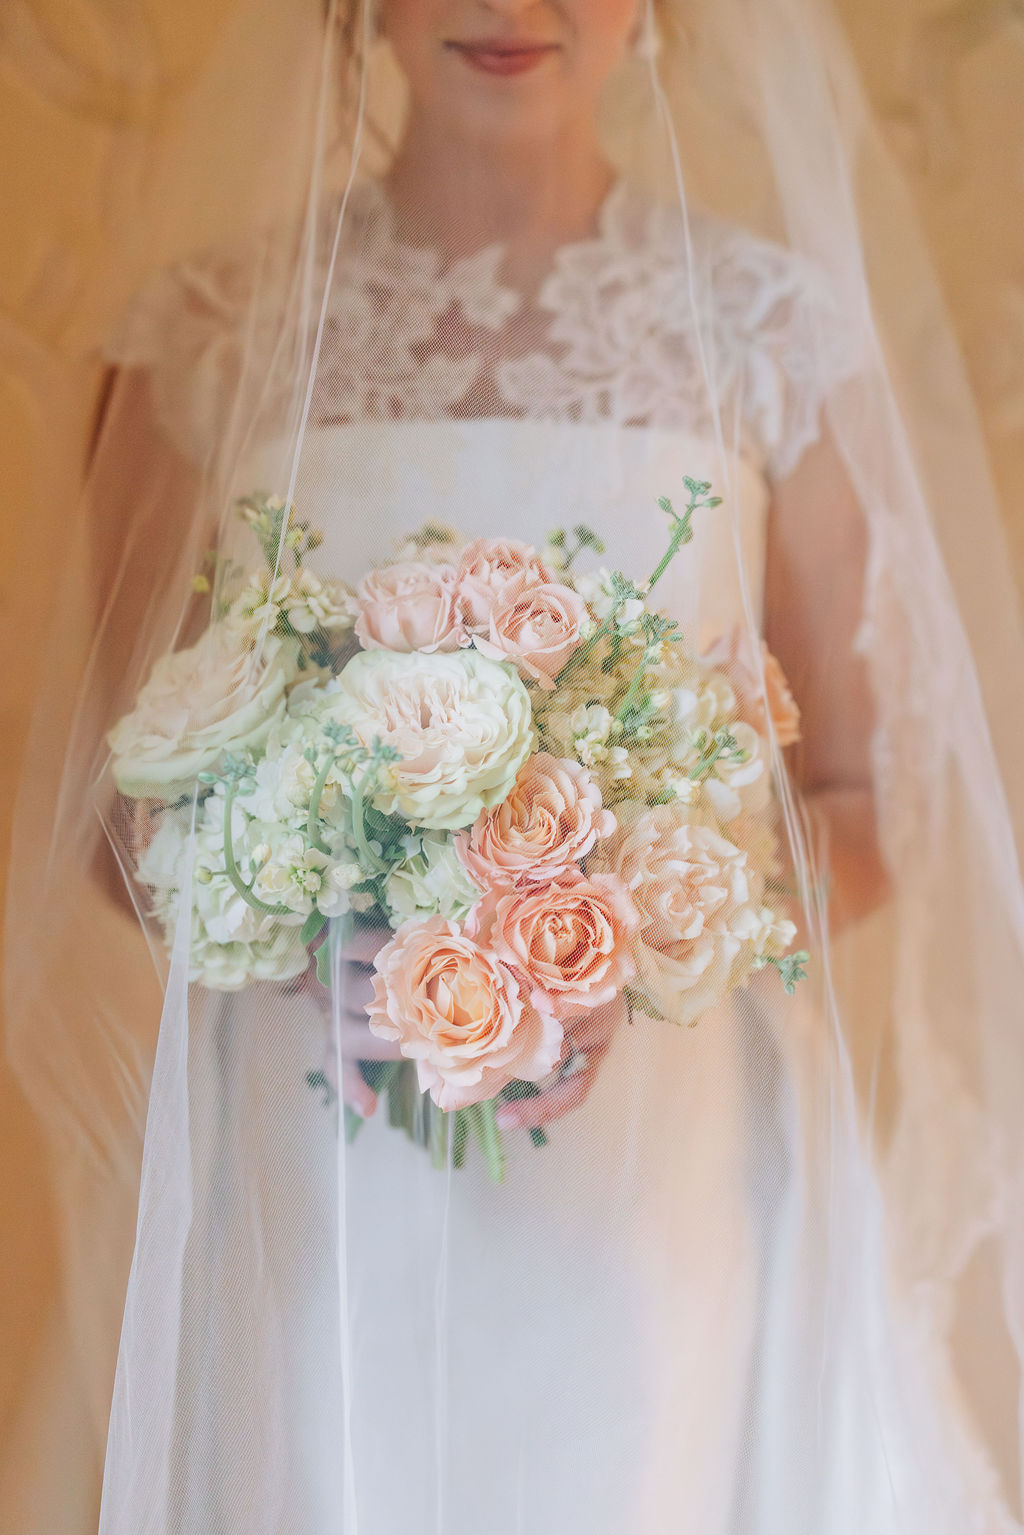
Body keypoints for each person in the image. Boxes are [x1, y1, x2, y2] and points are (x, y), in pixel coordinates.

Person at [6, 2, 1024, 1532]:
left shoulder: (771, 334)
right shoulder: (207, 332)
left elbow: (873, 809)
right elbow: (116, 803)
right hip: (308, 1155)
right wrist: (309, 936)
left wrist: (614, 935)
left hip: (663, 1175)